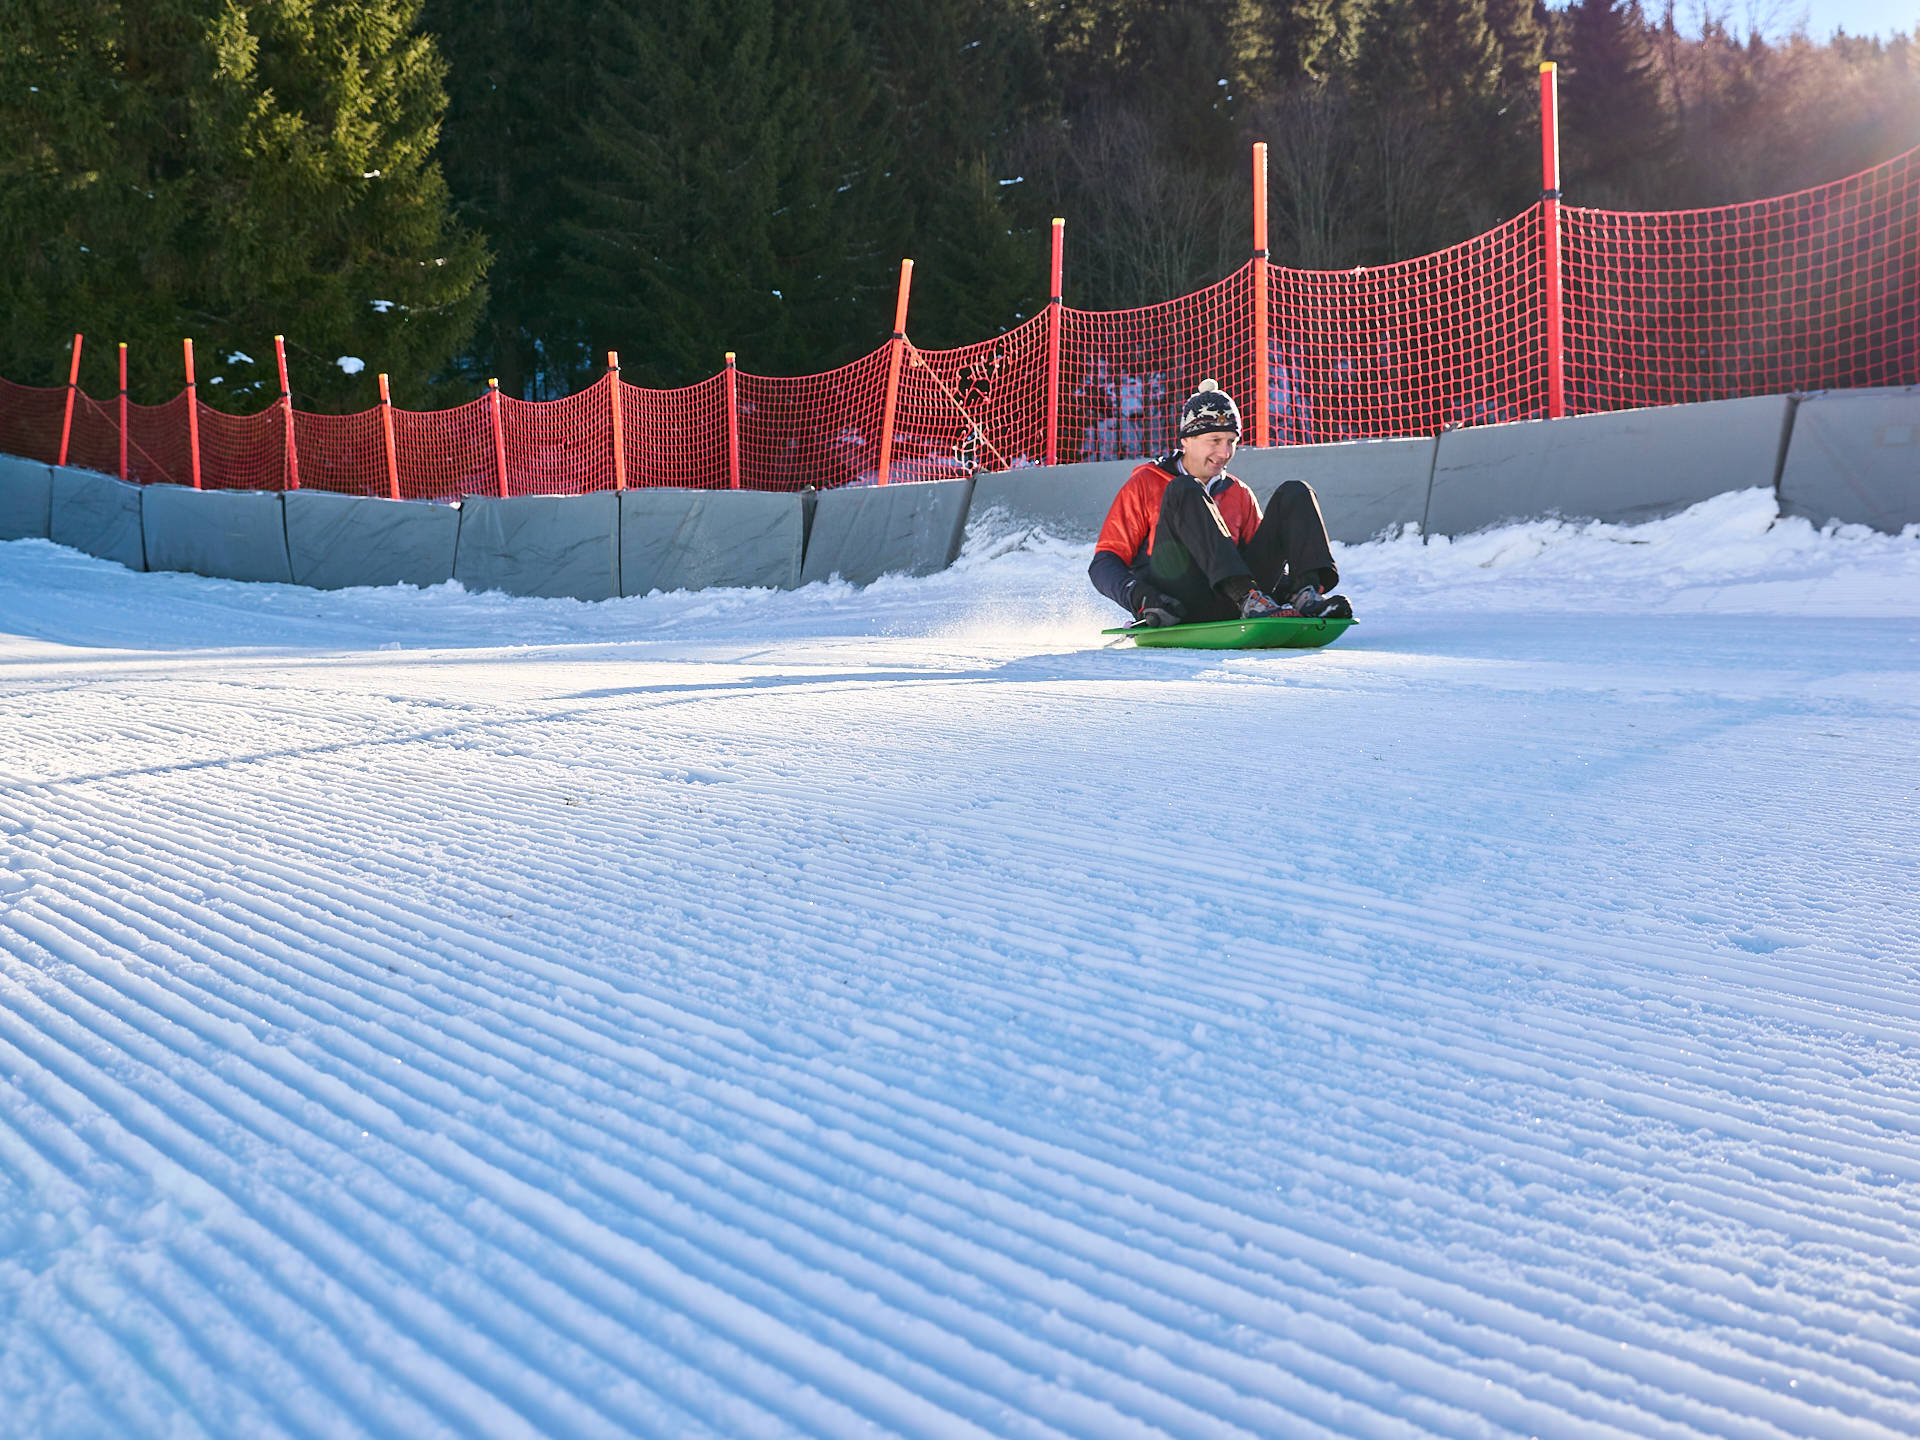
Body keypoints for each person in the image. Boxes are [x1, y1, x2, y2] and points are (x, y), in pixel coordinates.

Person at [1089, 379, 1353, 627]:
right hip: (1178, 599)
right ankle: (1247, 597)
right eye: (1214, 441)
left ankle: (1305, 596)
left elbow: (1262, 562)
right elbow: (1104, 561)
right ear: (1186, 441)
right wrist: (1139, 597)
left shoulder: (1238, 492)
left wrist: (1283, 592)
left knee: (1295, 492)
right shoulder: (1147, 482)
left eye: (1231, 442)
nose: (1225, 453)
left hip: (1239, 601)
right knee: (1184, 488)